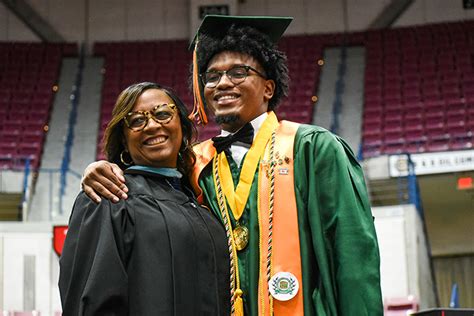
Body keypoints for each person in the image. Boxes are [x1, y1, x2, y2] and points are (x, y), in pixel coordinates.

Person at [82, 16, 383, 315]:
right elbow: (146, 173)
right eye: (212, 76)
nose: (223, 83)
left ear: (268, 88)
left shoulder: (313, 148)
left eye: (238, 73)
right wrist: (102, 169)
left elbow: (355, 258)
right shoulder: (195, 162)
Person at [59, 82, 230, 315]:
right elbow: (89, 302)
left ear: (182, 125)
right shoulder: (110, 197)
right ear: (124, 142)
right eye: (136, 120)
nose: (151, 125)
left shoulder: (201, 197)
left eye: (163, 113)